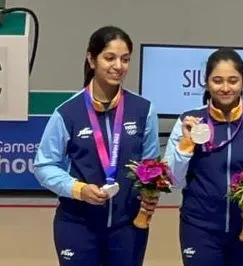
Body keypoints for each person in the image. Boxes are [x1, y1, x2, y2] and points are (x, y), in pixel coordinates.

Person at [33, 25, 159, 266]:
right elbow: (44, 165)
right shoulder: (68, 113)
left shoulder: (143, 110)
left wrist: (150, 190)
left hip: (127, 226)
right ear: (92, 59)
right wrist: (78, 189)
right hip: (78, 225)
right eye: (109, 58)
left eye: (125, 59)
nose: (118, 66)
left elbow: (151, 164)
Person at [164, 47, 243, 266]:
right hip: (199, 228)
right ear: (206, 82)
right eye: (217, 80)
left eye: (233, 80)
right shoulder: (188, 122)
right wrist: (186, 145)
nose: (225, 88)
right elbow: (171, 179)